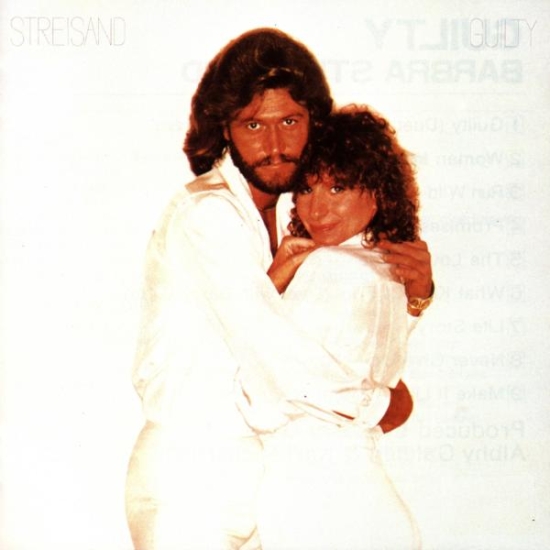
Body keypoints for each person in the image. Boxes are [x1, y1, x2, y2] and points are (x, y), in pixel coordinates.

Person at [125, 28, 433, 550]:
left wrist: (416, 295)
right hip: (192, 479)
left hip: (269, 487)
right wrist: (380, 406)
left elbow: (341, 333)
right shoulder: (209, 214)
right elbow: (275, 354)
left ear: (313, 120)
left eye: (289, 121)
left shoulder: (301, 221)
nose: (273, 146)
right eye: (253, 124)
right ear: (225, 130)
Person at [257, 107, 427, 549]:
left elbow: (267, 388)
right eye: (306, 188)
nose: (317, 208)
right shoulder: (388, 269)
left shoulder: (329, 266)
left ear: (378, 192)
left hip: (317, 497)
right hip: (358, 494)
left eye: (338, 187)